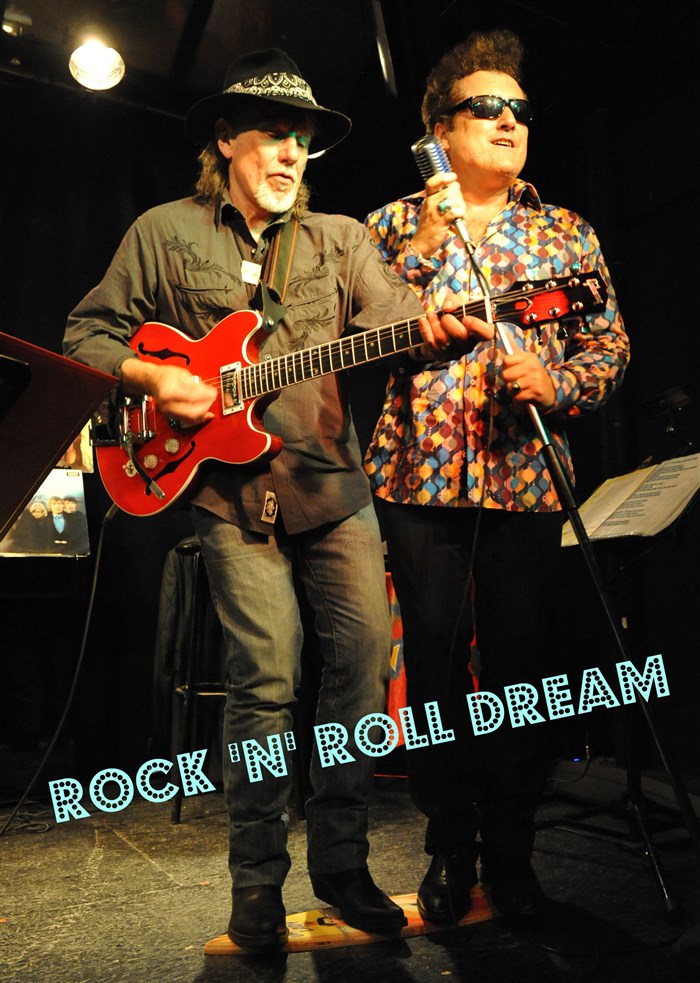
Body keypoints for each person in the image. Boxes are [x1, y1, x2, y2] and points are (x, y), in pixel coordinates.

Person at [63, 48, 471, 952]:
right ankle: (255, 883)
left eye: (303, 141)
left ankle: (344, 865)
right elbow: (86, 333)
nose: (292, 153)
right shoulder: (163, 232)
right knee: (267, 679)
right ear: (225, 138)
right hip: (226, 491)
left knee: (362, 670)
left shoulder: (341, 239)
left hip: (334, 484)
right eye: (275, 135)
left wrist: (433, 326)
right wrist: (154, 379)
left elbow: (392, 320)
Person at [364, 29, 630, 923]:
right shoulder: (389, 226)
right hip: (417, 477)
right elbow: (347, 333)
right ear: (440, 130)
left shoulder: (565, 231)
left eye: (519, 108)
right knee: (435, 673)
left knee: (521, 668)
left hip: (525, 478)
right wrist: (427, 245)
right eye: (486, 107)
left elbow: (609, 344)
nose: (509, 120)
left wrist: (560, 383)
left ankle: (513, 855)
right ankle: (450, 848)